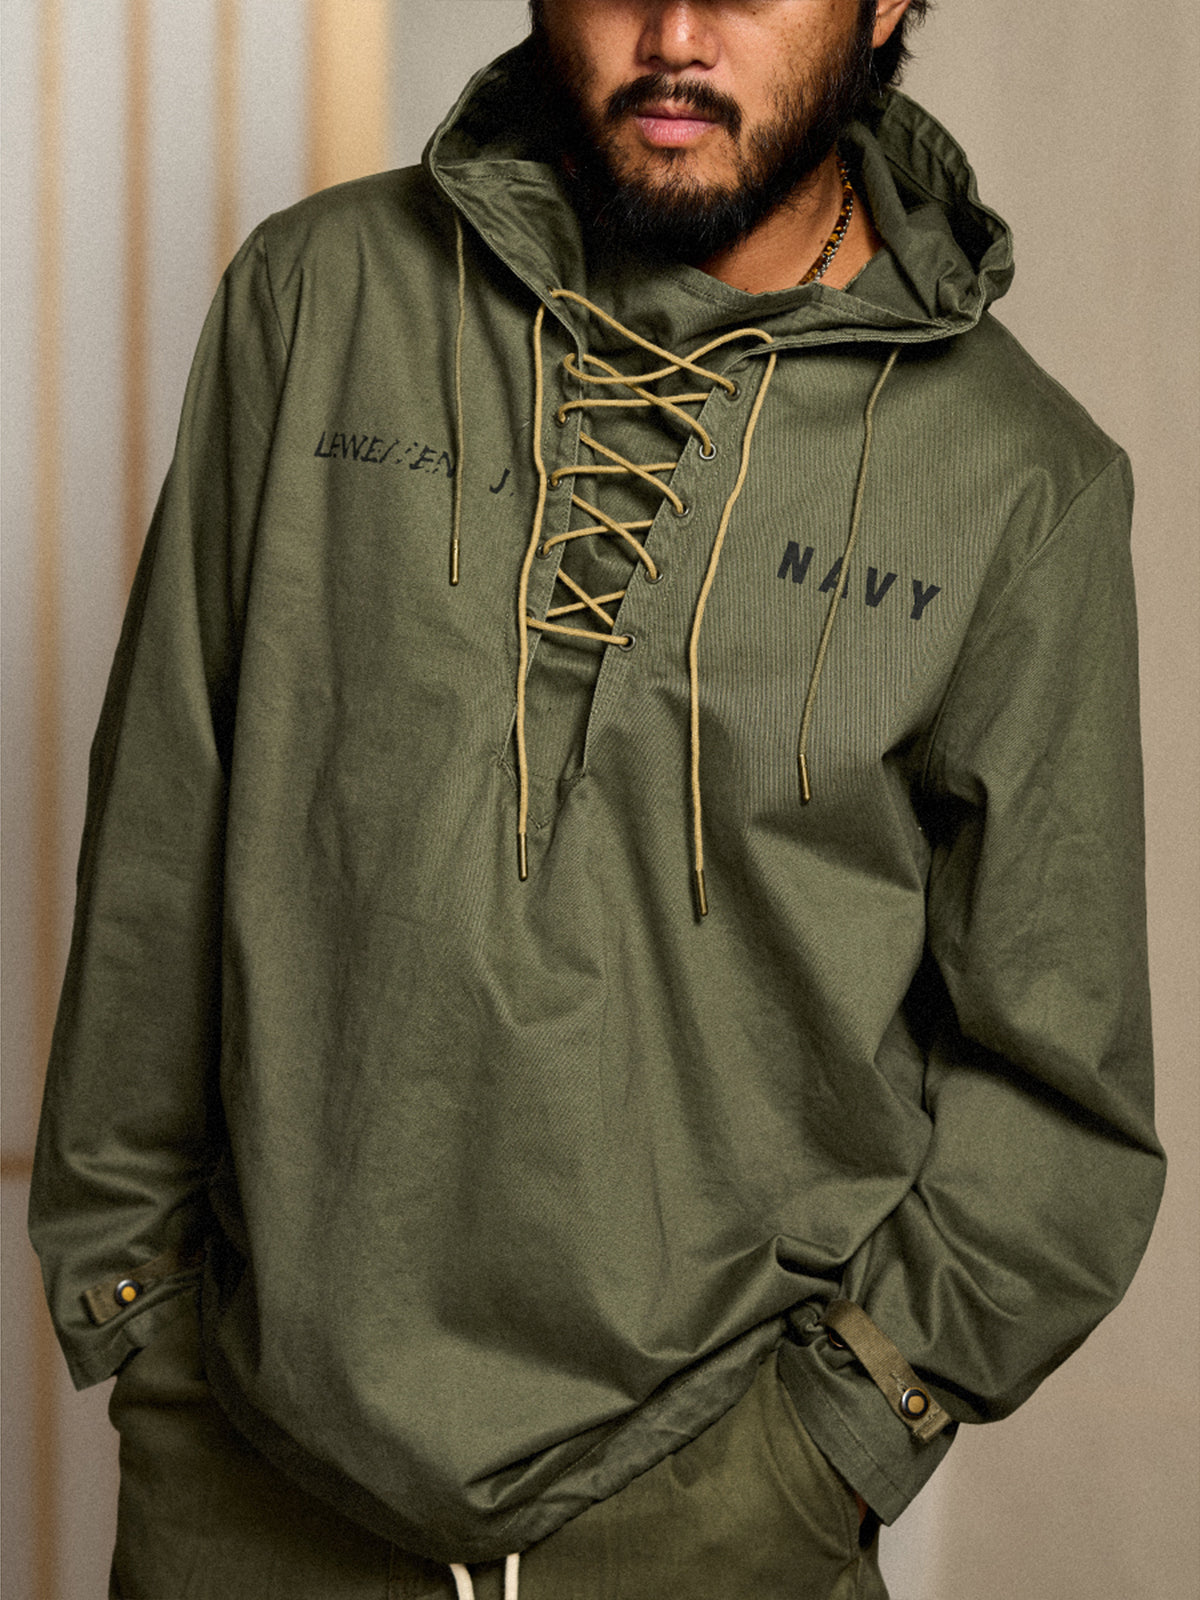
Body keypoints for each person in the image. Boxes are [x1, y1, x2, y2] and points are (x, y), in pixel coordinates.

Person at [30, 2, 1165, 1596]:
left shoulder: (1020, 481)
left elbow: (1057, 1096)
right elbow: (164, 832)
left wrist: (817, 1457)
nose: (676, 31)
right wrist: (142, 1327)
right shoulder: (319, 298)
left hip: (713, 1525)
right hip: (249, 1486)